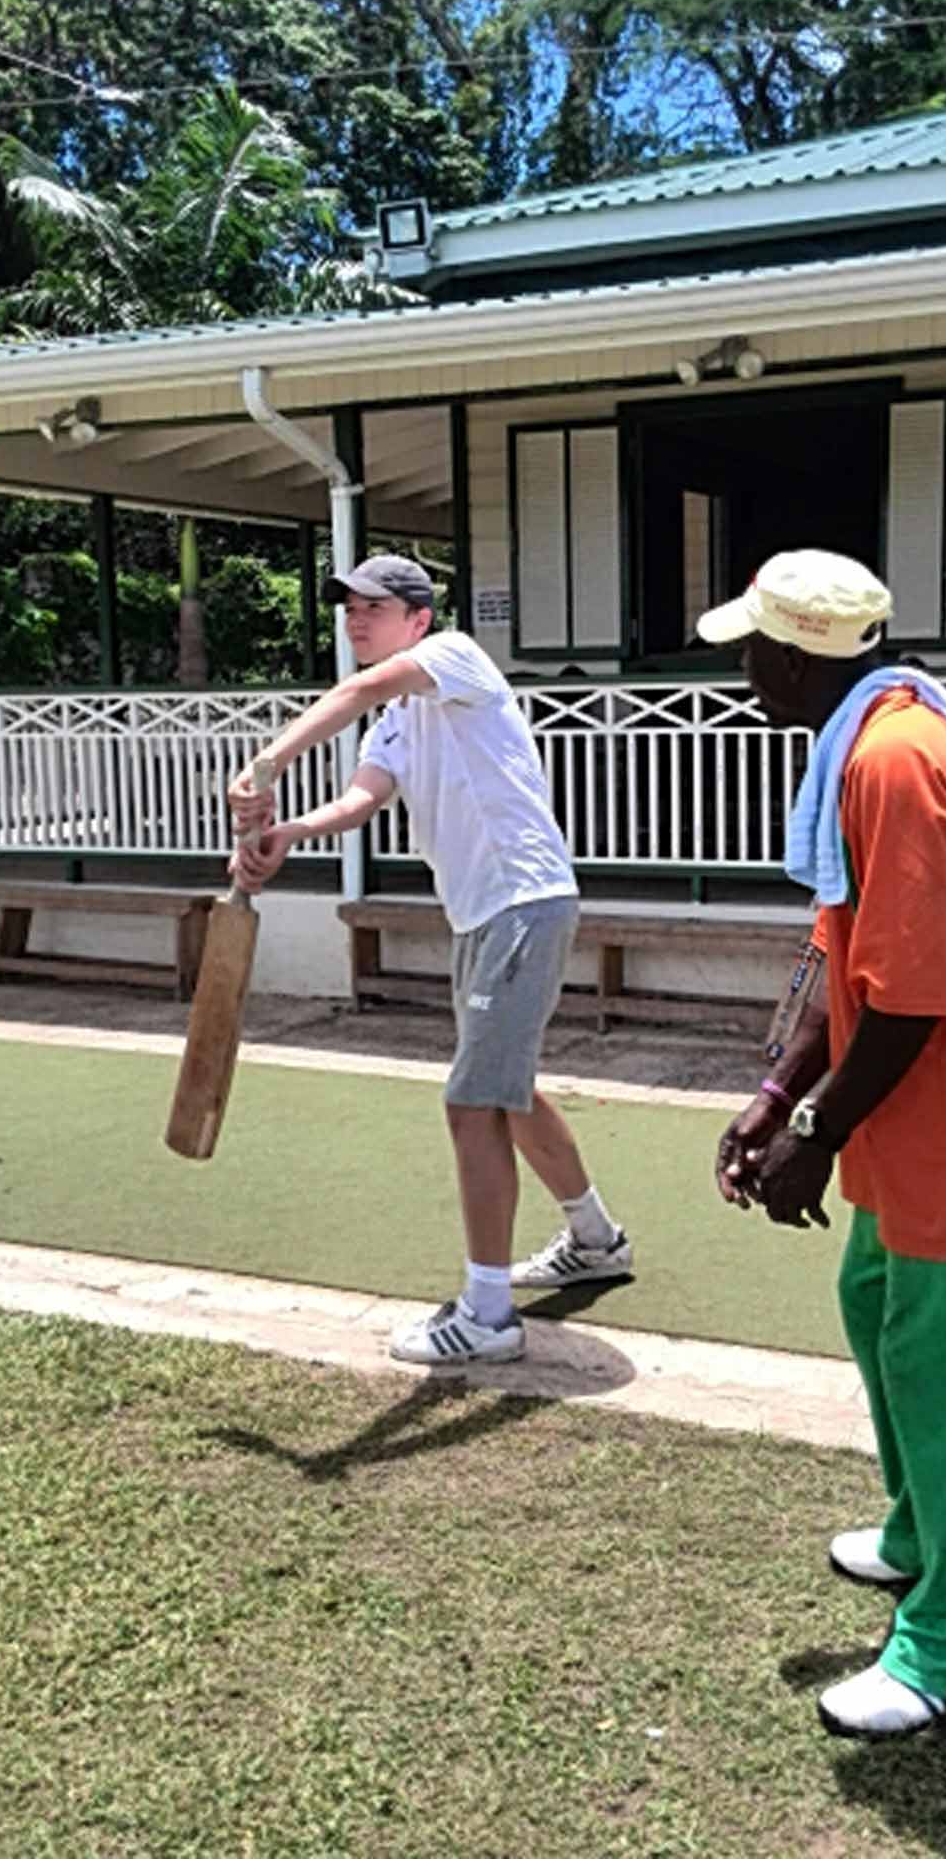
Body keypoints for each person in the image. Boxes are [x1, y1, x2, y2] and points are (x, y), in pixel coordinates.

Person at [698, 548, 946, 1740]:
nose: (743, 672)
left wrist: (815, 1133)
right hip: (915, 1125)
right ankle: (919, 1533)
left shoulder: (890, 759)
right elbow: (851, 952)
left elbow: (916, 994)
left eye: (750, 652)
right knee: (877, 1306)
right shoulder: (878, 732)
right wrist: (780, 1090)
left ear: (790, 656)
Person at [227, 554, 632, 1366]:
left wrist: (265, 765)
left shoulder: (454, 658)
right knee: (506, 1093)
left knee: (470, 1104)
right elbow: (363, 799)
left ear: (417, 618)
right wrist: (286, 834)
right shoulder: (397, 723)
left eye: (371, 607)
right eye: (346, 610)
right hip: (483, 915)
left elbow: (356, 691)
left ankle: (488, 1315)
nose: (354, 621)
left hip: (522, 900)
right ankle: (596, 1239)